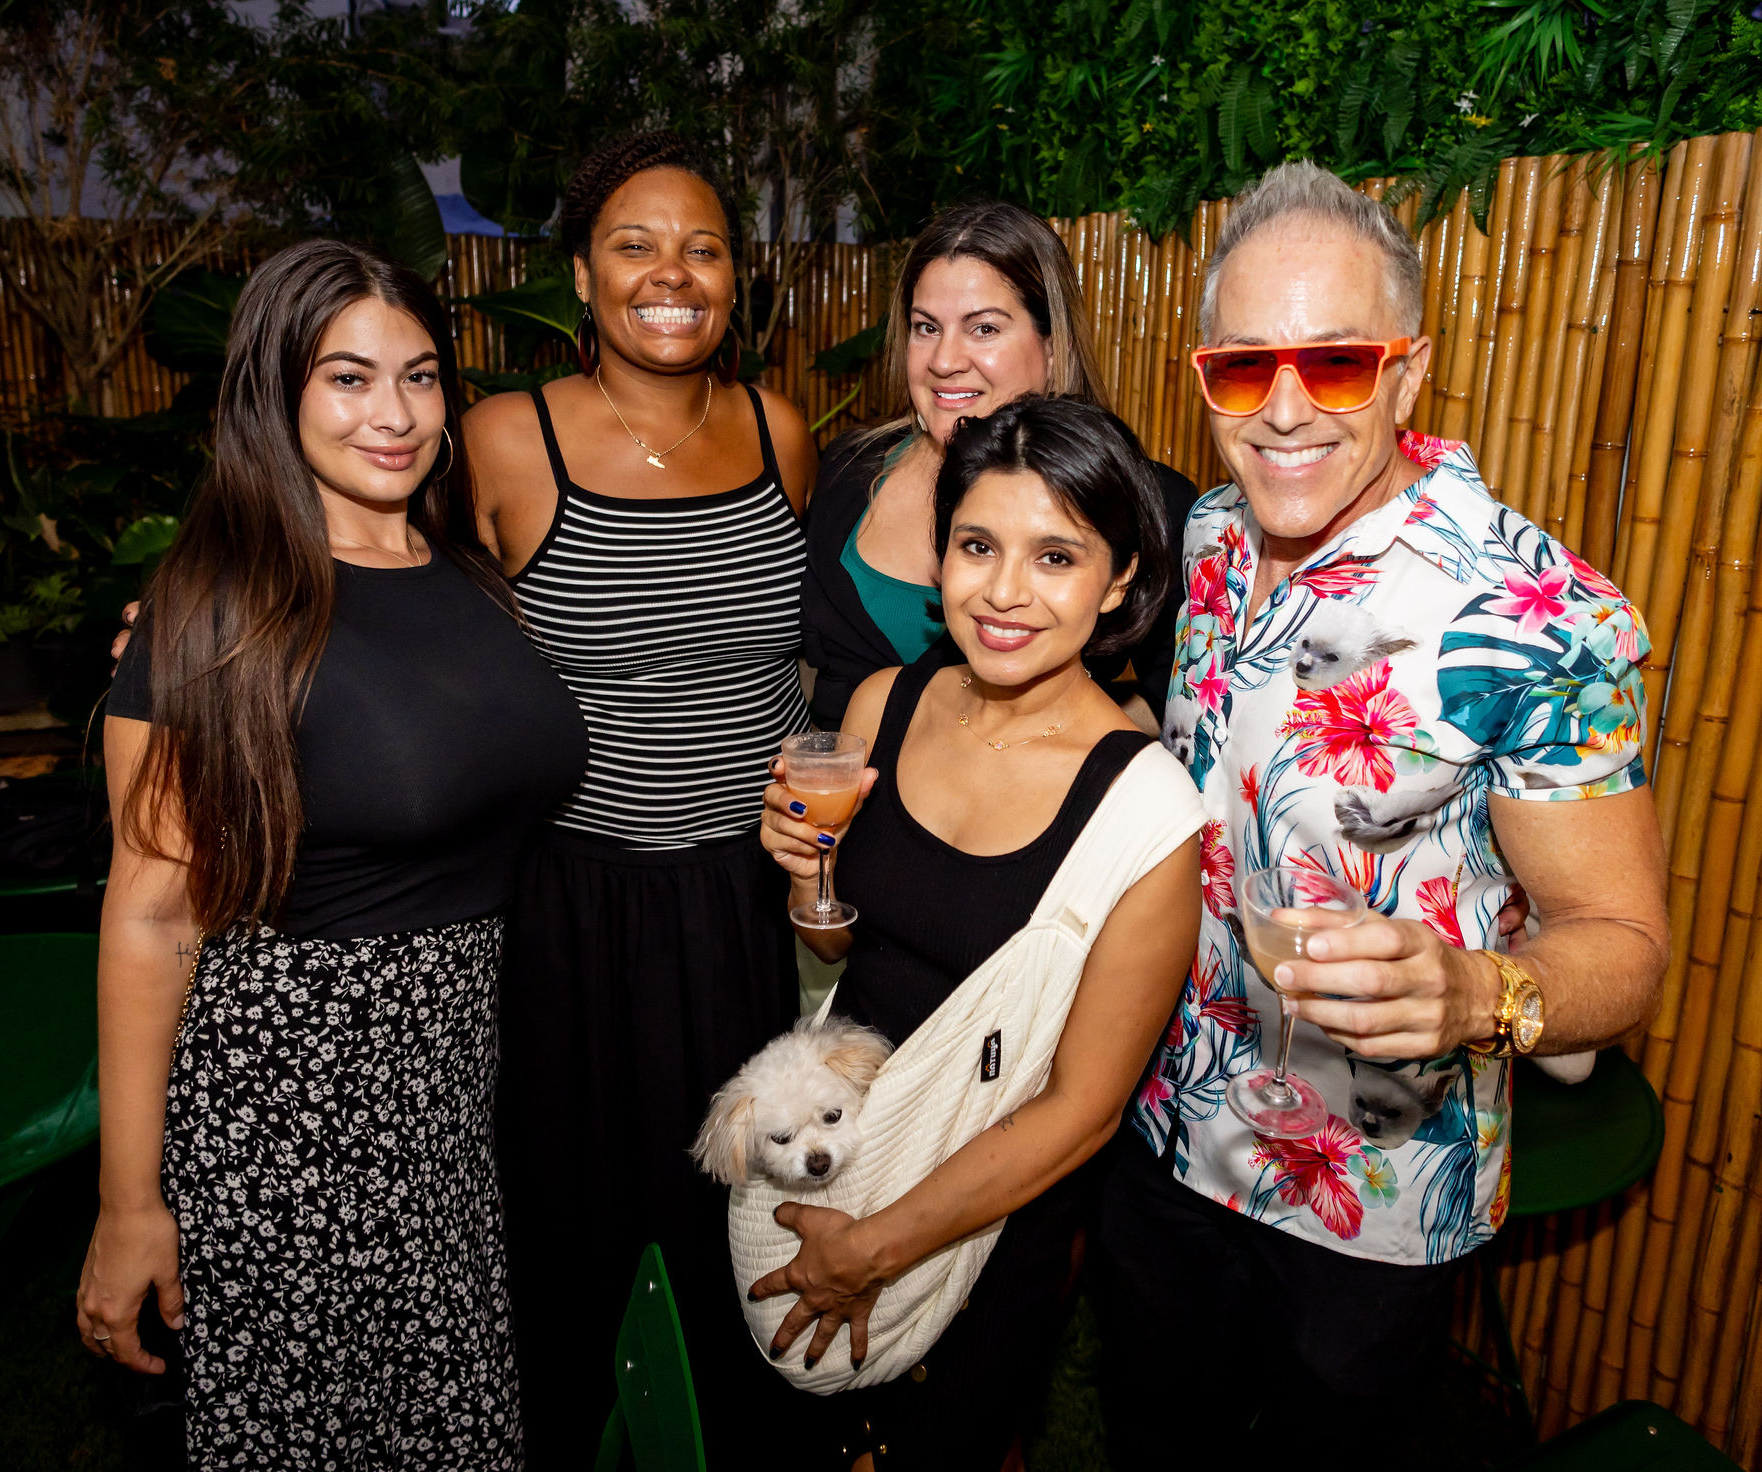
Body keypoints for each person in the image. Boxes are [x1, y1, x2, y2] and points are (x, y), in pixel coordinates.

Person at [1094, 161, 1670, 1464]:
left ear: (1409, 373)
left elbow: (1623, 944)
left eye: (1338, 362)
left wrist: (1474, 995)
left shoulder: (1537, 618)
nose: (1285, 406)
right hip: (1168, 1124)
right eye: (1243, 366)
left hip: (1372, 1194)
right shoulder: (1211, 538)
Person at [76, 239, 587, 1469]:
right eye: (347, 378)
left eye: (419, 375)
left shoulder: (462, 571)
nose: (394, 414)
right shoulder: (217, 602)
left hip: (443, 1100)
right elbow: (150, 914)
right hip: (286, 1109)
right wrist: (129, 1202)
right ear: (277, 391)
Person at [459, 131, 820, 1463]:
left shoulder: (780, 431)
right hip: (577, 901)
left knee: (748, 1206)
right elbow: (392, 596)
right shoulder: (505, 439)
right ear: (579, 273)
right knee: (575, 1217)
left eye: (703, 248)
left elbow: (807, 650)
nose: (672, 273)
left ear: (734, 279)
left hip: (749, 898)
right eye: (634, 244)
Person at [759, 394, 1205, 1469]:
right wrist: (808, 882)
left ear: (1119, 580)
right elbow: (840, 956)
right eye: (976, 546)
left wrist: (874, 1250)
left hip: (985, 1226)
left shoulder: (1145, 810)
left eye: (1055, 557)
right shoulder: (881, 705)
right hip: (838, 1158)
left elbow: (1083, 1110)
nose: (1004, 592)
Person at [802, 200, 1199, 731]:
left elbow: (1179, 704)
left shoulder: (1145, 499)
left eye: (984, 329)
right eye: (926, 327)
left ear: (1051, 346)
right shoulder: (849, 468)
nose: (944, 361)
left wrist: (1046, 746)